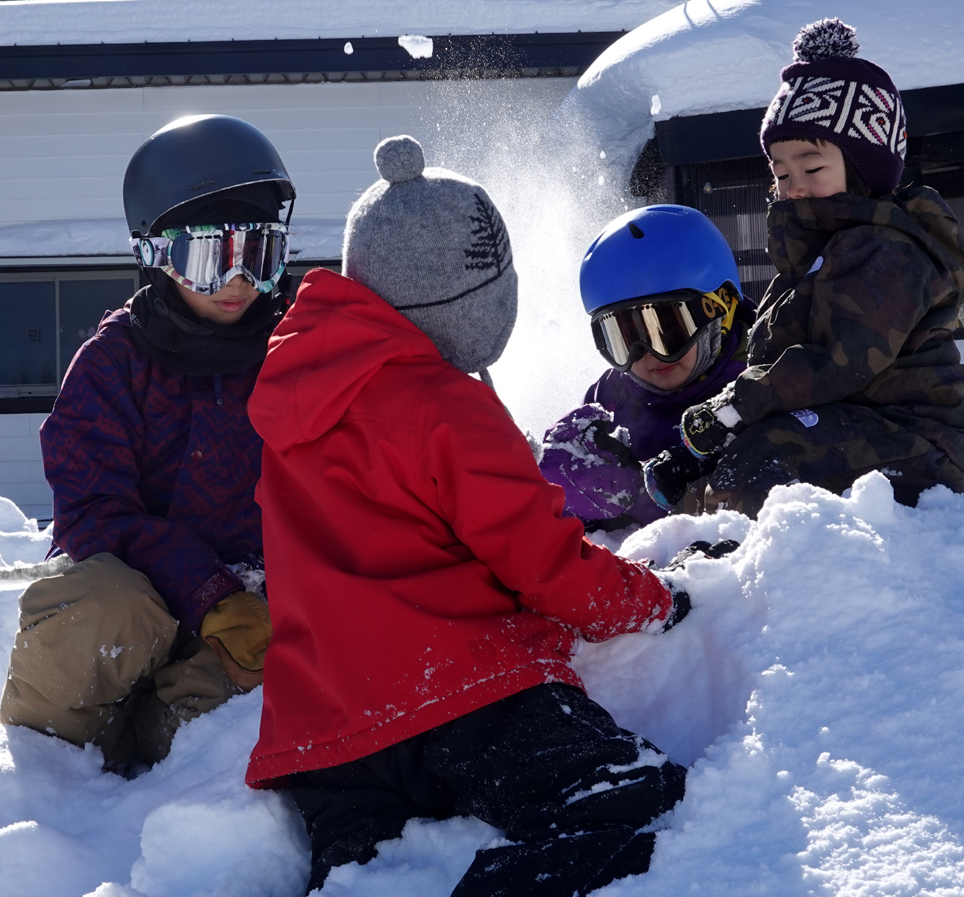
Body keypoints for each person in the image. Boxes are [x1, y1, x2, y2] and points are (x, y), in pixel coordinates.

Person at [245, 135, 694, 897]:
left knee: (363, 875)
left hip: (322, 737)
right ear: (471, 302)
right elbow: (546, 567)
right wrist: (655, 598)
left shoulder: (294, 401)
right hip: (468, 698)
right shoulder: (446, 404)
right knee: (639, 795)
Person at [0, 114, 295, 772]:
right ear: (157, 253)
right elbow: (94, 515)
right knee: (105, 602)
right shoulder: (114, 364)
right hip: (134, 610)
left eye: (260, 255)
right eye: (211, 257)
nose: (239, 279)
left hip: (245, 623)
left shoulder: (295, 352)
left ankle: (162, 766)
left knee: (262, 678)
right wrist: (206, 589)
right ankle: (47, 774)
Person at [675, 18, 964, 515]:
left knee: (765, 457)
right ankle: (697, 544)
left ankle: (746, 561)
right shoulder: (808, 261)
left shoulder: (886, 250)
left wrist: (739, 405)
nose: (793, 185)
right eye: (780, 172)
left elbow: (838, 361)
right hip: (854, 425)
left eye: (812, 167)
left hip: (919, 441)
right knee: (734, 464)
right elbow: (772, 360)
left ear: (864, 167)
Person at [539, 205, 748, 530]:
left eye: (667, 331)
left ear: (720, 309)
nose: (647, 355)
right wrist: (567, 489)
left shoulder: (760, 386)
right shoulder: (611, 398)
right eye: (624, 340)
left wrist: (641, 497)